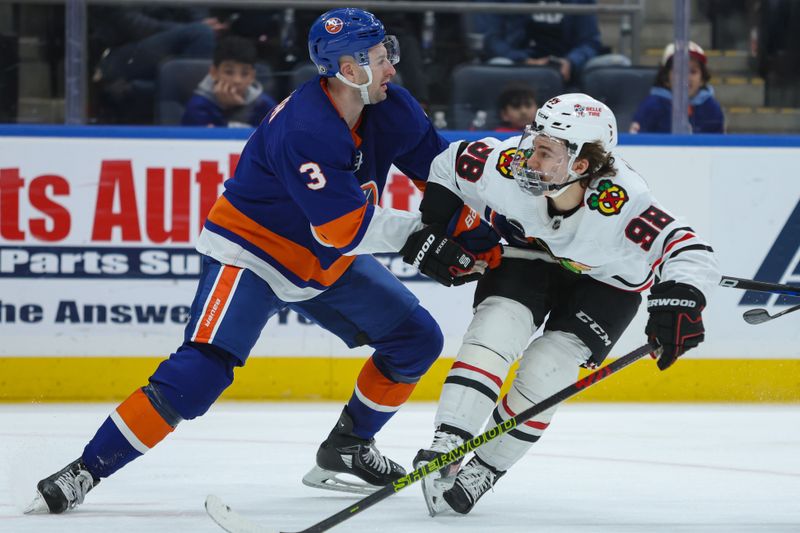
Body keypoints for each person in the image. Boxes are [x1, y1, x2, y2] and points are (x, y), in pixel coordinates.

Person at [25, 7, 483, 515]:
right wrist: (421, 236)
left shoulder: (390, 103)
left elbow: (442, 178)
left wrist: (487, 238)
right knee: (200, 373)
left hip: (323, 260)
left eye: (389, 51)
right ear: (349, 70)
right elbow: (341, 227)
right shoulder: (304, 127)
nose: (393, 65)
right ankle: (87, 469)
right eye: (380, 57)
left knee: (415, 339)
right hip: (253, 255)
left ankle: (347, 448)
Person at [410, 93, 720, 516]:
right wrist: (434, 224)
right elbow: (452, 161)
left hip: (608, 282)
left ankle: (486, 467)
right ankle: (449, 440)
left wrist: (680, 300)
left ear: (580, 166)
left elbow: (689, 248)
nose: (528, 159)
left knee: (547, 371)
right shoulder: (508, 166)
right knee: (496, 329)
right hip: (532, 256)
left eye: (544, 152)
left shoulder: (623, 203)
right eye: (533, 142)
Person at [479, 0, 604, 84]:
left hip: (567, 67)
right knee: (499, 64)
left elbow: (590, 42)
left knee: (616, 63)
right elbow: (492, 41)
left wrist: (570, 62)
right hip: (519, 66)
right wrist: (523, 60)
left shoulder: (580, 2)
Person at [181, 35, 277, 128]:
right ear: (214, 72)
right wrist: (231, 111)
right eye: (229, 72)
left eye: (245, 73)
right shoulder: (198, 107)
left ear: (252, 76)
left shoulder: (264, 105)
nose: (237, 80)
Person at [629, 41, 725, 134]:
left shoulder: (712, 108)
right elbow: (636, 142)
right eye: (679, 70)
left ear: (702, 79)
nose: (686, 77)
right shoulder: (652, 106)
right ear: (665, 78)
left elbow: (720, 145)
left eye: (693, 71)